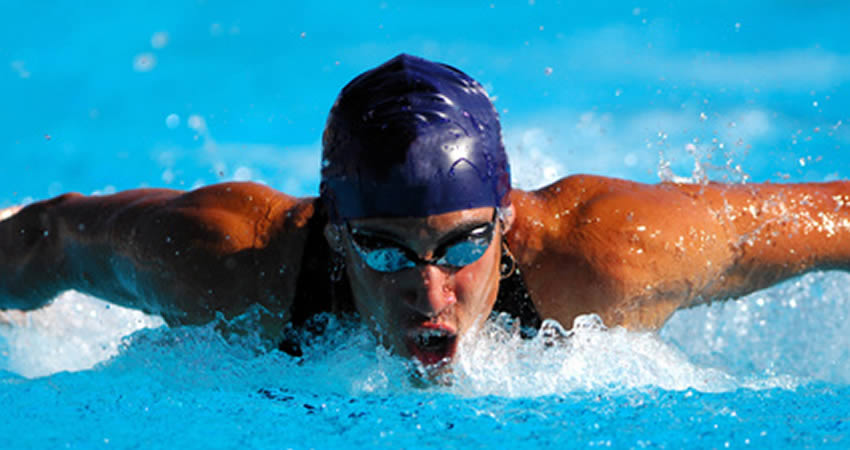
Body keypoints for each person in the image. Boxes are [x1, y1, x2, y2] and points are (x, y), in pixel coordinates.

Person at [1, 54, 849, 367]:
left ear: (506, 220)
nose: (429, 290)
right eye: (384, 250)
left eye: (461, 244)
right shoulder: (225, 264)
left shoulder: (607, 257)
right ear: (334, 233)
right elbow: (54, 235)